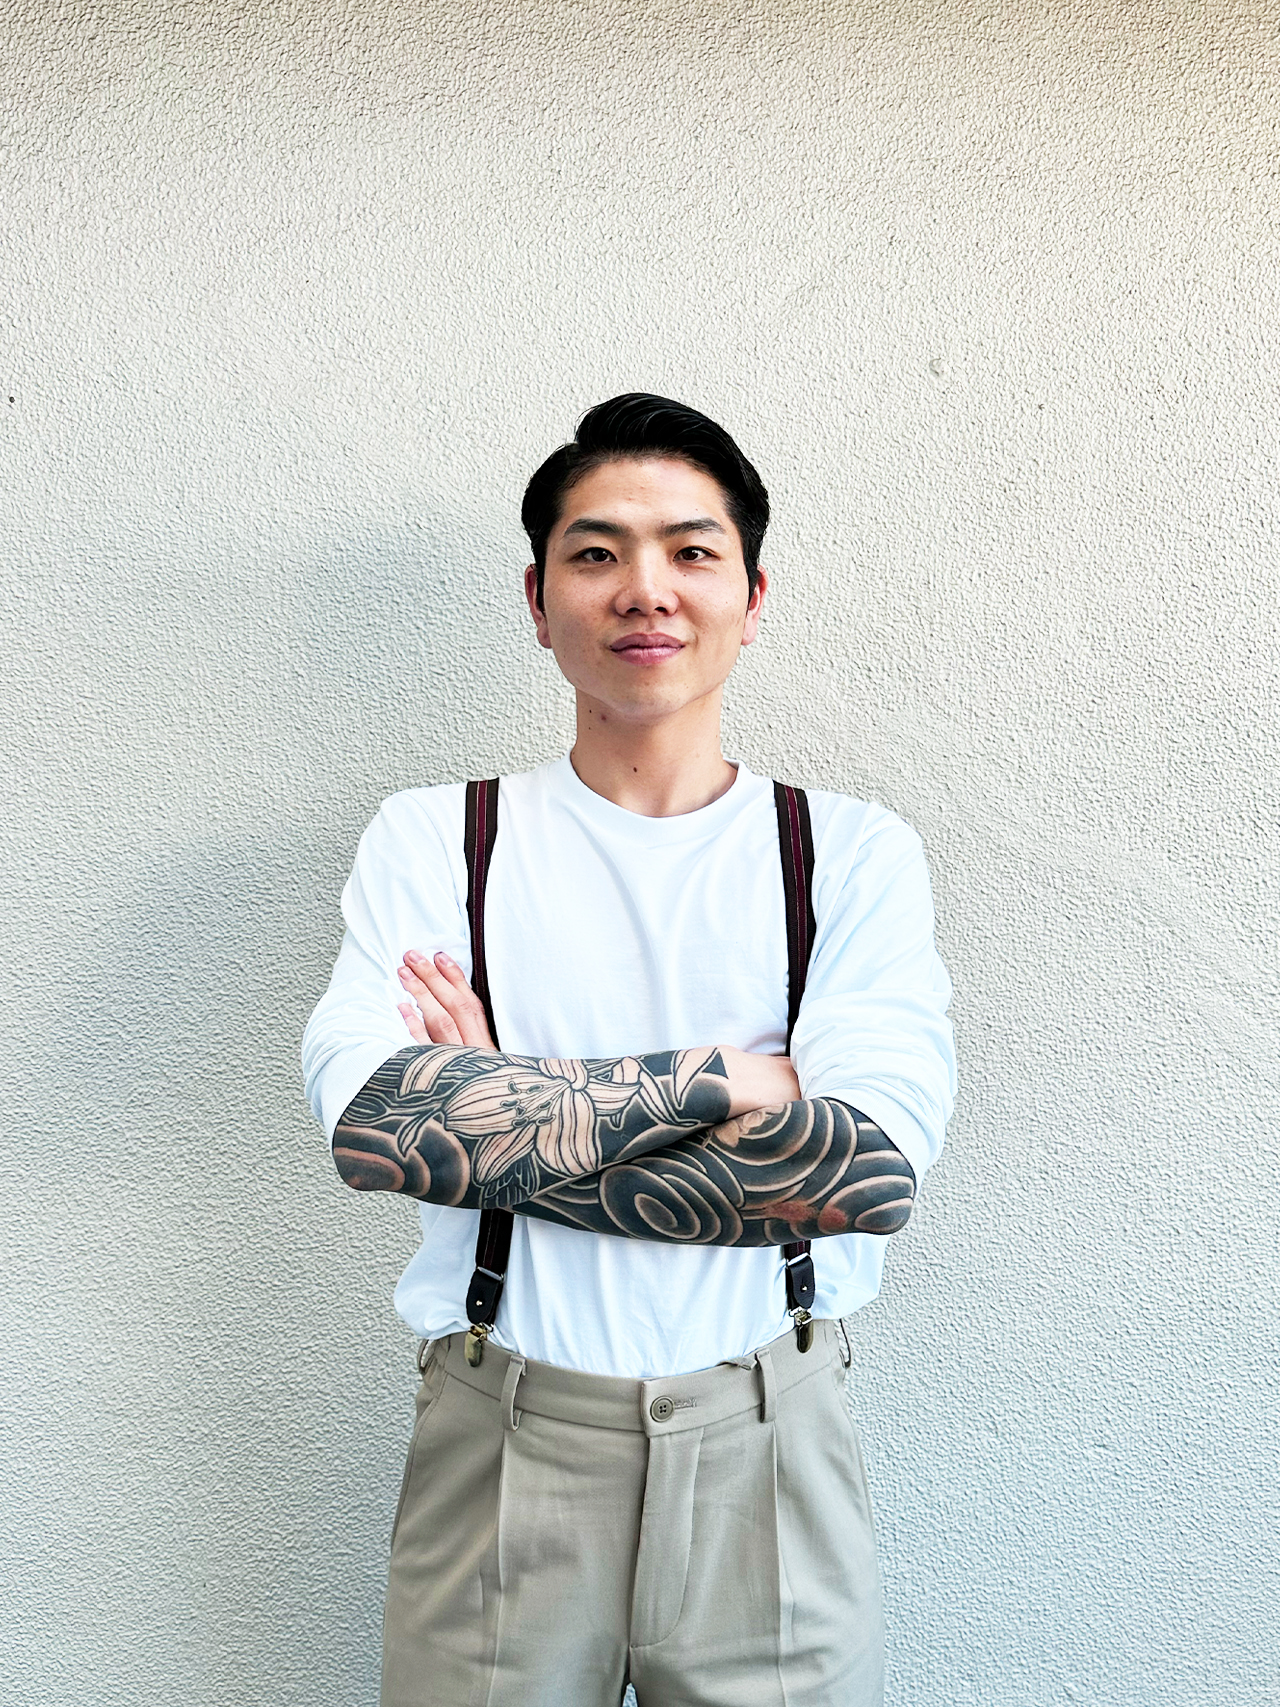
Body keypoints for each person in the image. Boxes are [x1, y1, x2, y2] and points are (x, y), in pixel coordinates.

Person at [301, 393, 956, 1707]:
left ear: (751, 597)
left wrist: (500, 1114)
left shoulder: (848, 855)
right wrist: (738, 1081)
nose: (644, 588)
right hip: (504, 1444)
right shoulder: (437, 840)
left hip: (768, 1445)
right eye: (596, 553)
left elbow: (866, 1176)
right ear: (538, 601)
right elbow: (378, 1130)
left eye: (690, 551)